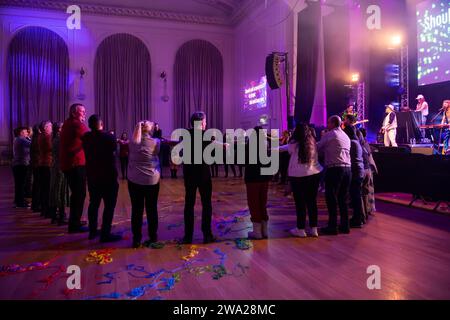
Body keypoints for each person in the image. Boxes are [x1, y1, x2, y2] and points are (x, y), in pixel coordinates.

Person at [82, 115, 122, 242]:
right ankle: (105, 233)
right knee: (109, 206)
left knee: (94, 204)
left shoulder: (86, 137)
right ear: (102, 124)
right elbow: (115, 150)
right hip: (108, 176)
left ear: (89, 125)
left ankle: (92, 232)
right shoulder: (109, 137)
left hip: (92, 175)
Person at [279, 124, 323, 238]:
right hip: (315, 174)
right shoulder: (312, 142)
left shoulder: (294, 143)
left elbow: (285, 148)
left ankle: (301, 229)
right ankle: (314, 229)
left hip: (299, 176)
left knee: (300, 203)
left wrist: (271, 149)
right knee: (312, 202)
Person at [182, 111, 217, 244]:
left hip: (189, 174)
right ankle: (207, 235)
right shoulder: (207, 136)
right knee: (206, 205)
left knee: (189, 205)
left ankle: (188, 236)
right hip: (203, 174)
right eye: (205, 121)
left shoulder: (185, 134)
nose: (206, 123)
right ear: (202, 123)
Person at [127, 120, 161, 248]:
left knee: (136, 210)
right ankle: (153, 236)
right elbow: (157, 153)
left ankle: (136, 239)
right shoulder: (155, 142)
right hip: (151, 180)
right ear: (150, 129)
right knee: (152, 209)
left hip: (134, 179)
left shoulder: (132, 142)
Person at [317, 115, 352, 235]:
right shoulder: (345, 136)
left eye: (328, 122)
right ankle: (344, 226)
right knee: (342, 198)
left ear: (332, 123)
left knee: (331, 197)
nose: (327, 125)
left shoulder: (330, 134)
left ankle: (332, 227)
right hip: (348, 169)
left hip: (335, 169)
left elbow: (317, 148)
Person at [60, 103, 89, 233]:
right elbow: (90, 137)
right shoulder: (77, 124)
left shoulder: (67, 123)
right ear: (73, 113)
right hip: (75, 164)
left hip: (69, 164)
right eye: (82, 111)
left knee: (77, 194)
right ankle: (74, 224)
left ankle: (75, 221)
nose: (84, 113)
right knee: (79, 194)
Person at [244, 126, 272, 239]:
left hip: (252, 178)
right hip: (264, 178)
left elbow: (242, 161)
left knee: (254, 204)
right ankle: (264, 231)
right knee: (262, 203)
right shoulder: (267, 145)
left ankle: (257, 232)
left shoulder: (249, 146)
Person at [343, 125, 365, 228]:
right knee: (356, 196)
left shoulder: (351, 143)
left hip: (356, 172)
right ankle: (359, 218)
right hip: (359, 171)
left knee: (355, 196)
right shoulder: (356, 142)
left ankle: (357, 219)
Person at [49, 122, 69, 225]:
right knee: (60, 192)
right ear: (59, 129)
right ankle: (60, 216)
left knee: (58, 191)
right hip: (59, 168)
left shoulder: (56, 139)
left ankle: (57, 216)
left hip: (57, 167)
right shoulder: (59, 139)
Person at [12, 126, 31, 208]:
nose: (27, 133)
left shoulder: (17, 139)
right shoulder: (21, 139)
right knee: (21, 184)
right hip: (21, 164)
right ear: (21, 133)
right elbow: (32, 144)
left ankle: (18, 201)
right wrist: (29, 137)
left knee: (19, 184)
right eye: (26, 132)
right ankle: (20, 203)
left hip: (17, 164)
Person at [38, 121, 53, 219]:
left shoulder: (40, 136)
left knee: (44, 188)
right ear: (45, 127)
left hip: (42, 162)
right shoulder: (46, 136)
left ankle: (44, 210)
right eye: (50, 126)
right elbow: (51, 148)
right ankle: (48, 211)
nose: (51, 127)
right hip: (47, 163)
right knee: (48, 189)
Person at [30, 124, 41, 212]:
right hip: (38, 163)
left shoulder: (34, 138)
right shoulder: (38, 139)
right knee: (38, 185)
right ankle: (36, 205)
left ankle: (35, 204)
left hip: (35, 163)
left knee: (36, 184)